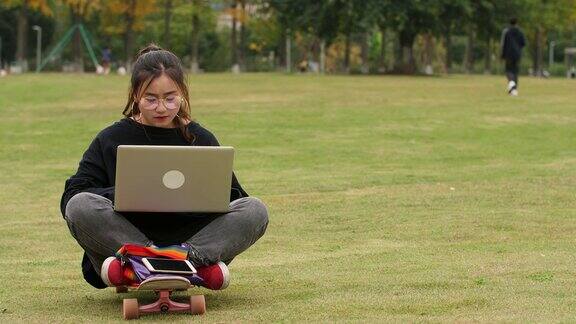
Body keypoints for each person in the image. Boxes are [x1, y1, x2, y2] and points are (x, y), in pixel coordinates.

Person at [60, 44, 269, 290]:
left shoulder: (200, 139)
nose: (161, 108)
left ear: (182, 93)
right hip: (126, 236)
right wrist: (124, 194)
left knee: (255, 210)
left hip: (192, 239)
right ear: (136, 95)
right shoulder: (111, 138)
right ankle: (184, 268)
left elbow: (235, 198)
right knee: (80, 206)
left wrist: (201, 196)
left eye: (170, 99)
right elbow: (73, 195)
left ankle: (147, 267)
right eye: (151, 99)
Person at [500, 17, 526, 96]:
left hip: (508, 54)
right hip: (517, 54)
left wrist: (502, 55)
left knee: (508, 70)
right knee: (515, 71)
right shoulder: (520, 32)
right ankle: (514, 89)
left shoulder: (506, 32)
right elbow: (523, 43)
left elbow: (503, 44)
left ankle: (511, 83)